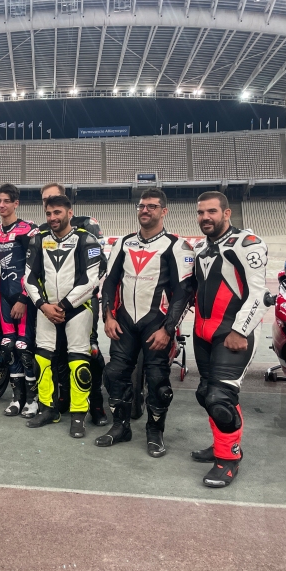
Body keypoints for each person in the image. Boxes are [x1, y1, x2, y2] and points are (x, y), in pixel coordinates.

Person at [97, 189, 194, 457]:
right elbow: (109, 283)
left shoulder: (177, 246)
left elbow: (184, 292)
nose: (145, 210)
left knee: (158, 381)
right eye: (141, 206)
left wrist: (168, 329)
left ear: (164, 211)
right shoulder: (123, 243)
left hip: (157, 325)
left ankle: (155, 432)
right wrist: (108, 316)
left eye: (152, 206)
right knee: (114, 374)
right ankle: (121, 427)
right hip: (124, 323)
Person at [191, 191, 268, 487]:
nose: (205, 217)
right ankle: (221, 445)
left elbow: (259, 295)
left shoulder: (247, 243)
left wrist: (240, 331)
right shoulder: (200, 247)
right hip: (203, 334)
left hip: (233, 334)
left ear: (226, 213)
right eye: (201, 212)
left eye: (211, 211)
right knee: (205, 394)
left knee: (221, 399)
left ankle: (228, 459)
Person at [23, 195, 102, 437]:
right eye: (48, 213)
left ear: (69, 213)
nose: (52, 218)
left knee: (78, 362)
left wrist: (64, 305)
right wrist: (43, 305)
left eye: (57, 212)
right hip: (46, 309)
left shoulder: (86, 239)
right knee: (42, 359)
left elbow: (92, 280)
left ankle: (78, 415)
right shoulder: (38, 240)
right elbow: (29, 278)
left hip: (78, 309)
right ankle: (48, 409)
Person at [39, 183, 109, 426]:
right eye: (45, 200)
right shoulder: (42, 231)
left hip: (83, 302)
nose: (49, 203)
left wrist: (70, 302)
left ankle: (96, 403)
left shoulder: (88, 224)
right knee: (56, 354)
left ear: (66, 202)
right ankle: (63, 398)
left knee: (90, 350)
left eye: (54, 198)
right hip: (51, 306)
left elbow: (99, 266)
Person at [0, 184, 39, 418]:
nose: (2, 205)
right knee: (8, 345)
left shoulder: (28, 230)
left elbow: (35, 267)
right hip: (4, 296)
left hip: (24, 297)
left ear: (16, 203)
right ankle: (17, 398)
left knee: (24, 348)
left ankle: (33, 400)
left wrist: (24, 298)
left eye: (6, 201)